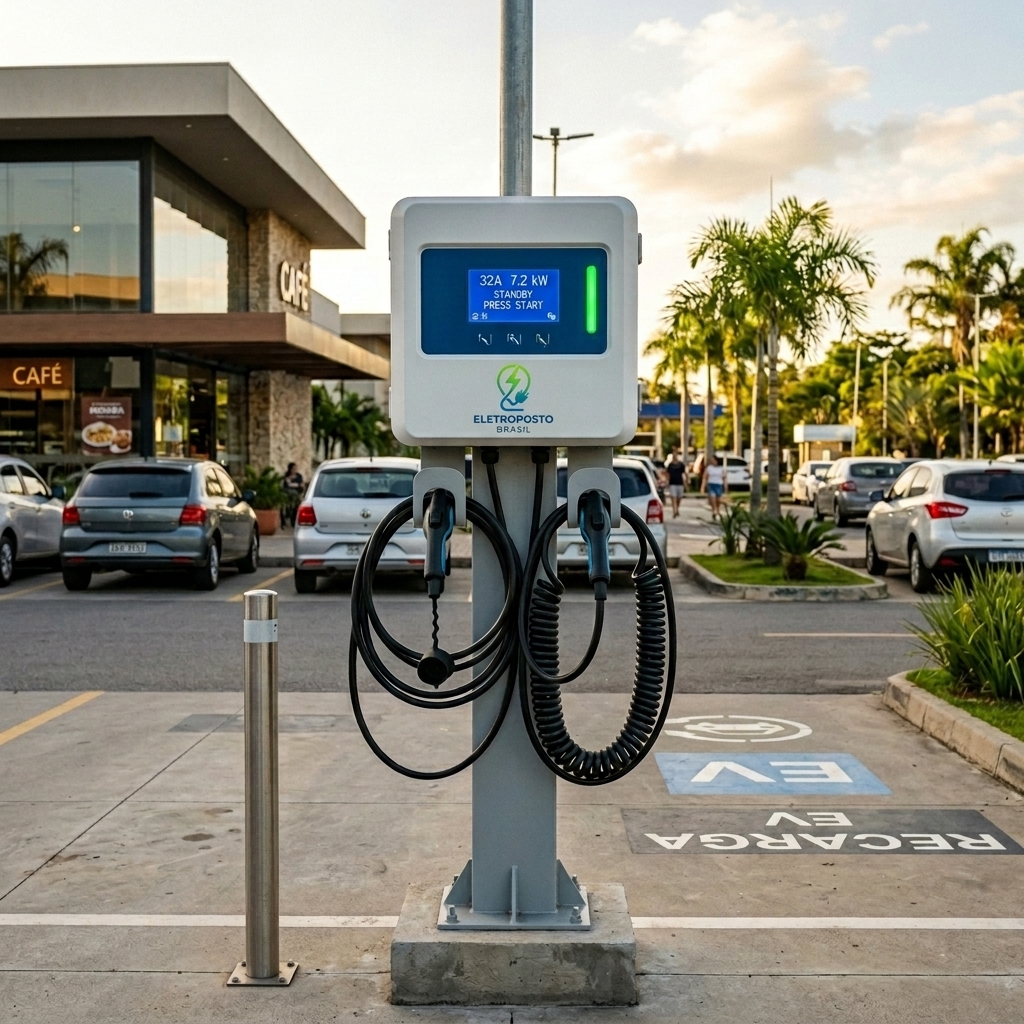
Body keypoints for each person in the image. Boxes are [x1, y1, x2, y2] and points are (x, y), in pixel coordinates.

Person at [701, 454, 727, 518]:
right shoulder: (709, 468)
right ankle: (714, 510)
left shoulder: (721, 469)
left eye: (713, 460)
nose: (712, 462)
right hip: (711, 484)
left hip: (719, 484)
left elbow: (724, 478)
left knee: (718, 499)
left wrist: (726, 487)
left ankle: (717, 509)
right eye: (711, 460)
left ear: (716, 461)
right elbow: (705, 477)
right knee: (713, 498)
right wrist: (703, 486)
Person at [665, 449, 686, 519]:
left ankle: (677, 508)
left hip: (680, 483)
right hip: (672, 483)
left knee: (679, 498)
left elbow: (684, 474)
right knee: (673, 497)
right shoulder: (670, 465)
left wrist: (686, 483)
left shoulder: (681, 465)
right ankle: (675, 511)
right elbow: (668, 474)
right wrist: (667, 482)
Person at [282, 462, 304, 527]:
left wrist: (295, 485)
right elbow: (285, 486)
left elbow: (301, 485)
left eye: (295, 468)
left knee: (296, 506)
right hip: (288, 494)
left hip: (297, 494)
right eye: (293, 469)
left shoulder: (299, 476)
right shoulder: (287, 476)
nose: (294, 470)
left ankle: (293, 521)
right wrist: (296, 485)